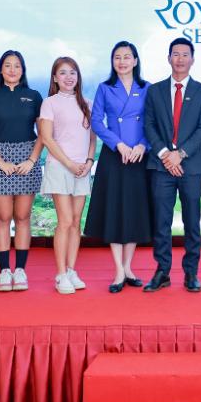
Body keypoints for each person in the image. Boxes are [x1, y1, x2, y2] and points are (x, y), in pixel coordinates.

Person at [143, 37, 201, 292]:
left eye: (185, 54)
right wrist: (166, 154)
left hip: (190, 166)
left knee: (192, 221)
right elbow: (149, 125)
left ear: (192, 60)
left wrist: (180, 154)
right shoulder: (155, 90)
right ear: (169, 58)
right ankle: (162, 271)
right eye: (176, 54)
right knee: (161, 221)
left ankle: (191, 272)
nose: (180, 59)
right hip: (161, 165)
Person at [86, 41, 152, 293]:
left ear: (135, 60)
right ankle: (118, 271)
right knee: (114, 210)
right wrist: (119, 145)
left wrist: (142, 145)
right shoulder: (105, 88)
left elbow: (153, 122)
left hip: (138, 156)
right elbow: (96, 122)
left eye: (127, 57)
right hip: (115, 156)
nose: (122, 62)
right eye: (117, 57)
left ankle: (129, 267)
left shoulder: (147, 88)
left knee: (134, 211)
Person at [0, 50, 43, 293]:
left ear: (23, 70)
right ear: (1, 70)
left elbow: (43, 134)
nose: (12, 70)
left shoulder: (34, 96)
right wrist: (0, 162)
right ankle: (4, 271)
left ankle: (20, 270)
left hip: (27, 160)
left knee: (23, 217)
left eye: (17, 65)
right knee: (3, 218)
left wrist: (32, 160)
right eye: (7, 65)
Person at [39, 57, 96, 294]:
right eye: (63, 73)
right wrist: (69, 164)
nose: (68, 77)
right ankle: (60, 274)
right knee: (64, 221)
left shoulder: (87, 103)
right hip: (60, 167)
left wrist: (89, 162)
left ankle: (71, 270)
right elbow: (46, 138)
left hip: (82, 169)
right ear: (55, 78)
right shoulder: (49, 103)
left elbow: (92, 138)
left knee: (75, 222)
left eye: (73, 72)